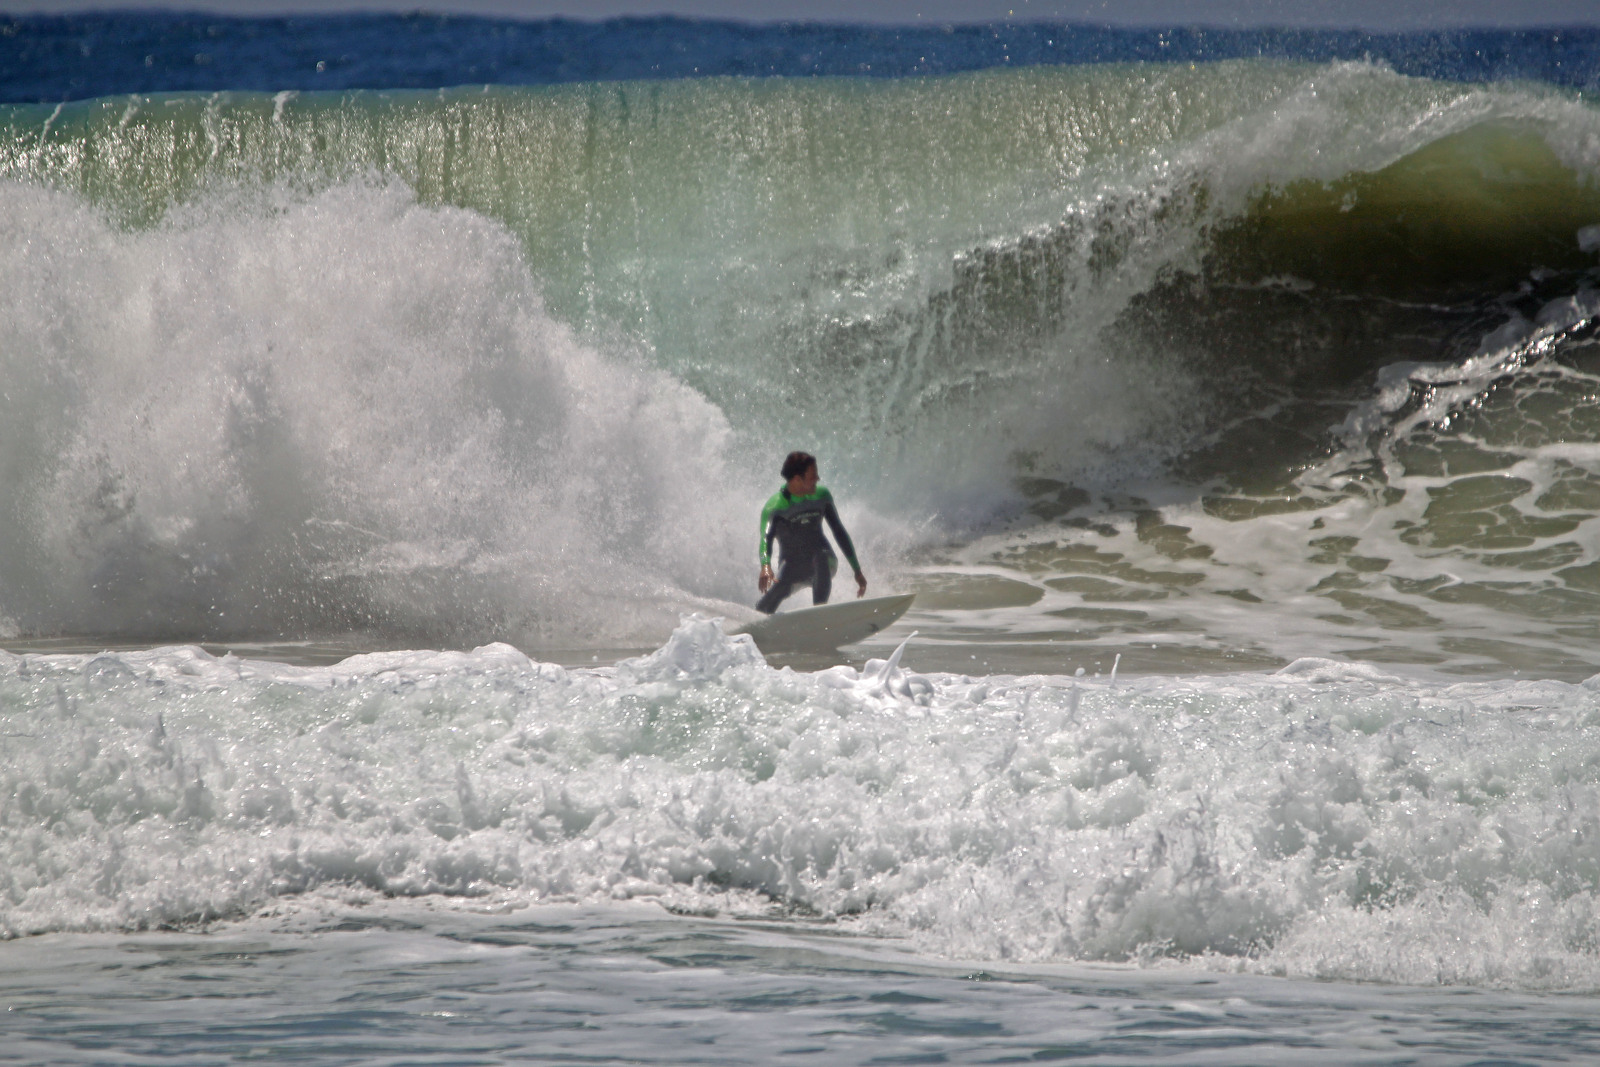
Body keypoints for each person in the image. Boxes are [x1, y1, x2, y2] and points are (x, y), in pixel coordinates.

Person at [757, 451, 867, 614]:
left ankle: (819, 614)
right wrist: (765, 565)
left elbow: (839, 531)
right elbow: (766, 539)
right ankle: (754, 625)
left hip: (825, 560)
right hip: (792, 564)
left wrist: (857, 570)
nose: (818, 479)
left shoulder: (822, 497)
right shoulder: (775, 507)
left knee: (821, 558)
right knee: (778, 588)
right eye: (813, 476)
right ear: (796, 479)